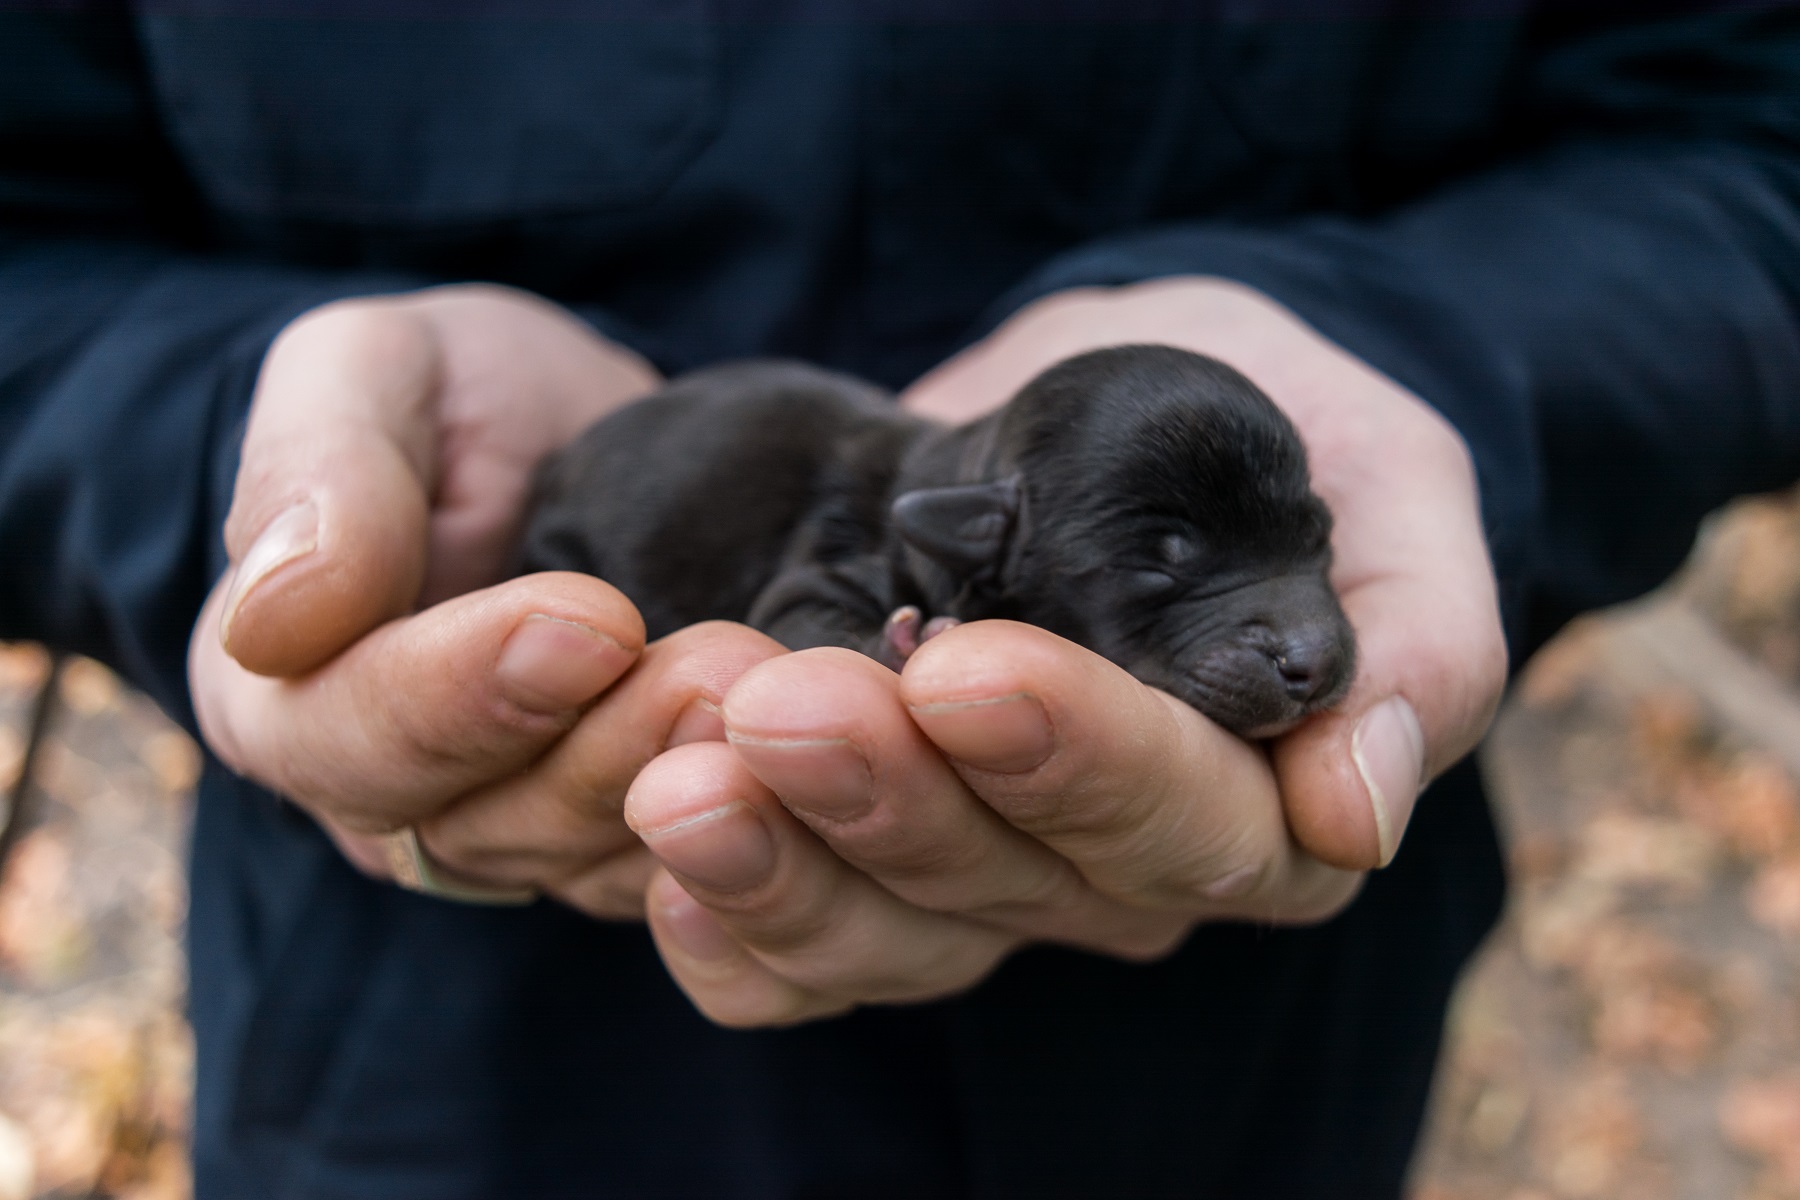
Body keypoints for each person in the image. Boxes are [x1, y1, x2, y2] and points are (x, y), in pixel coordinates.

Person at [2, 4, 1797, 1197]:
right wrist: (237, 461)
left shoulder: (1015, 541)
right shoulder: (893, 548)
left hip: (1235, 1091)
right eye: (1167, 565)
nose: (1300, 630)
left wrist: (1434, 367)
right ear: (972, 545)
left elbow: (1745, 136)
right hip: (449, 1086)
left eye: (1297, 540)